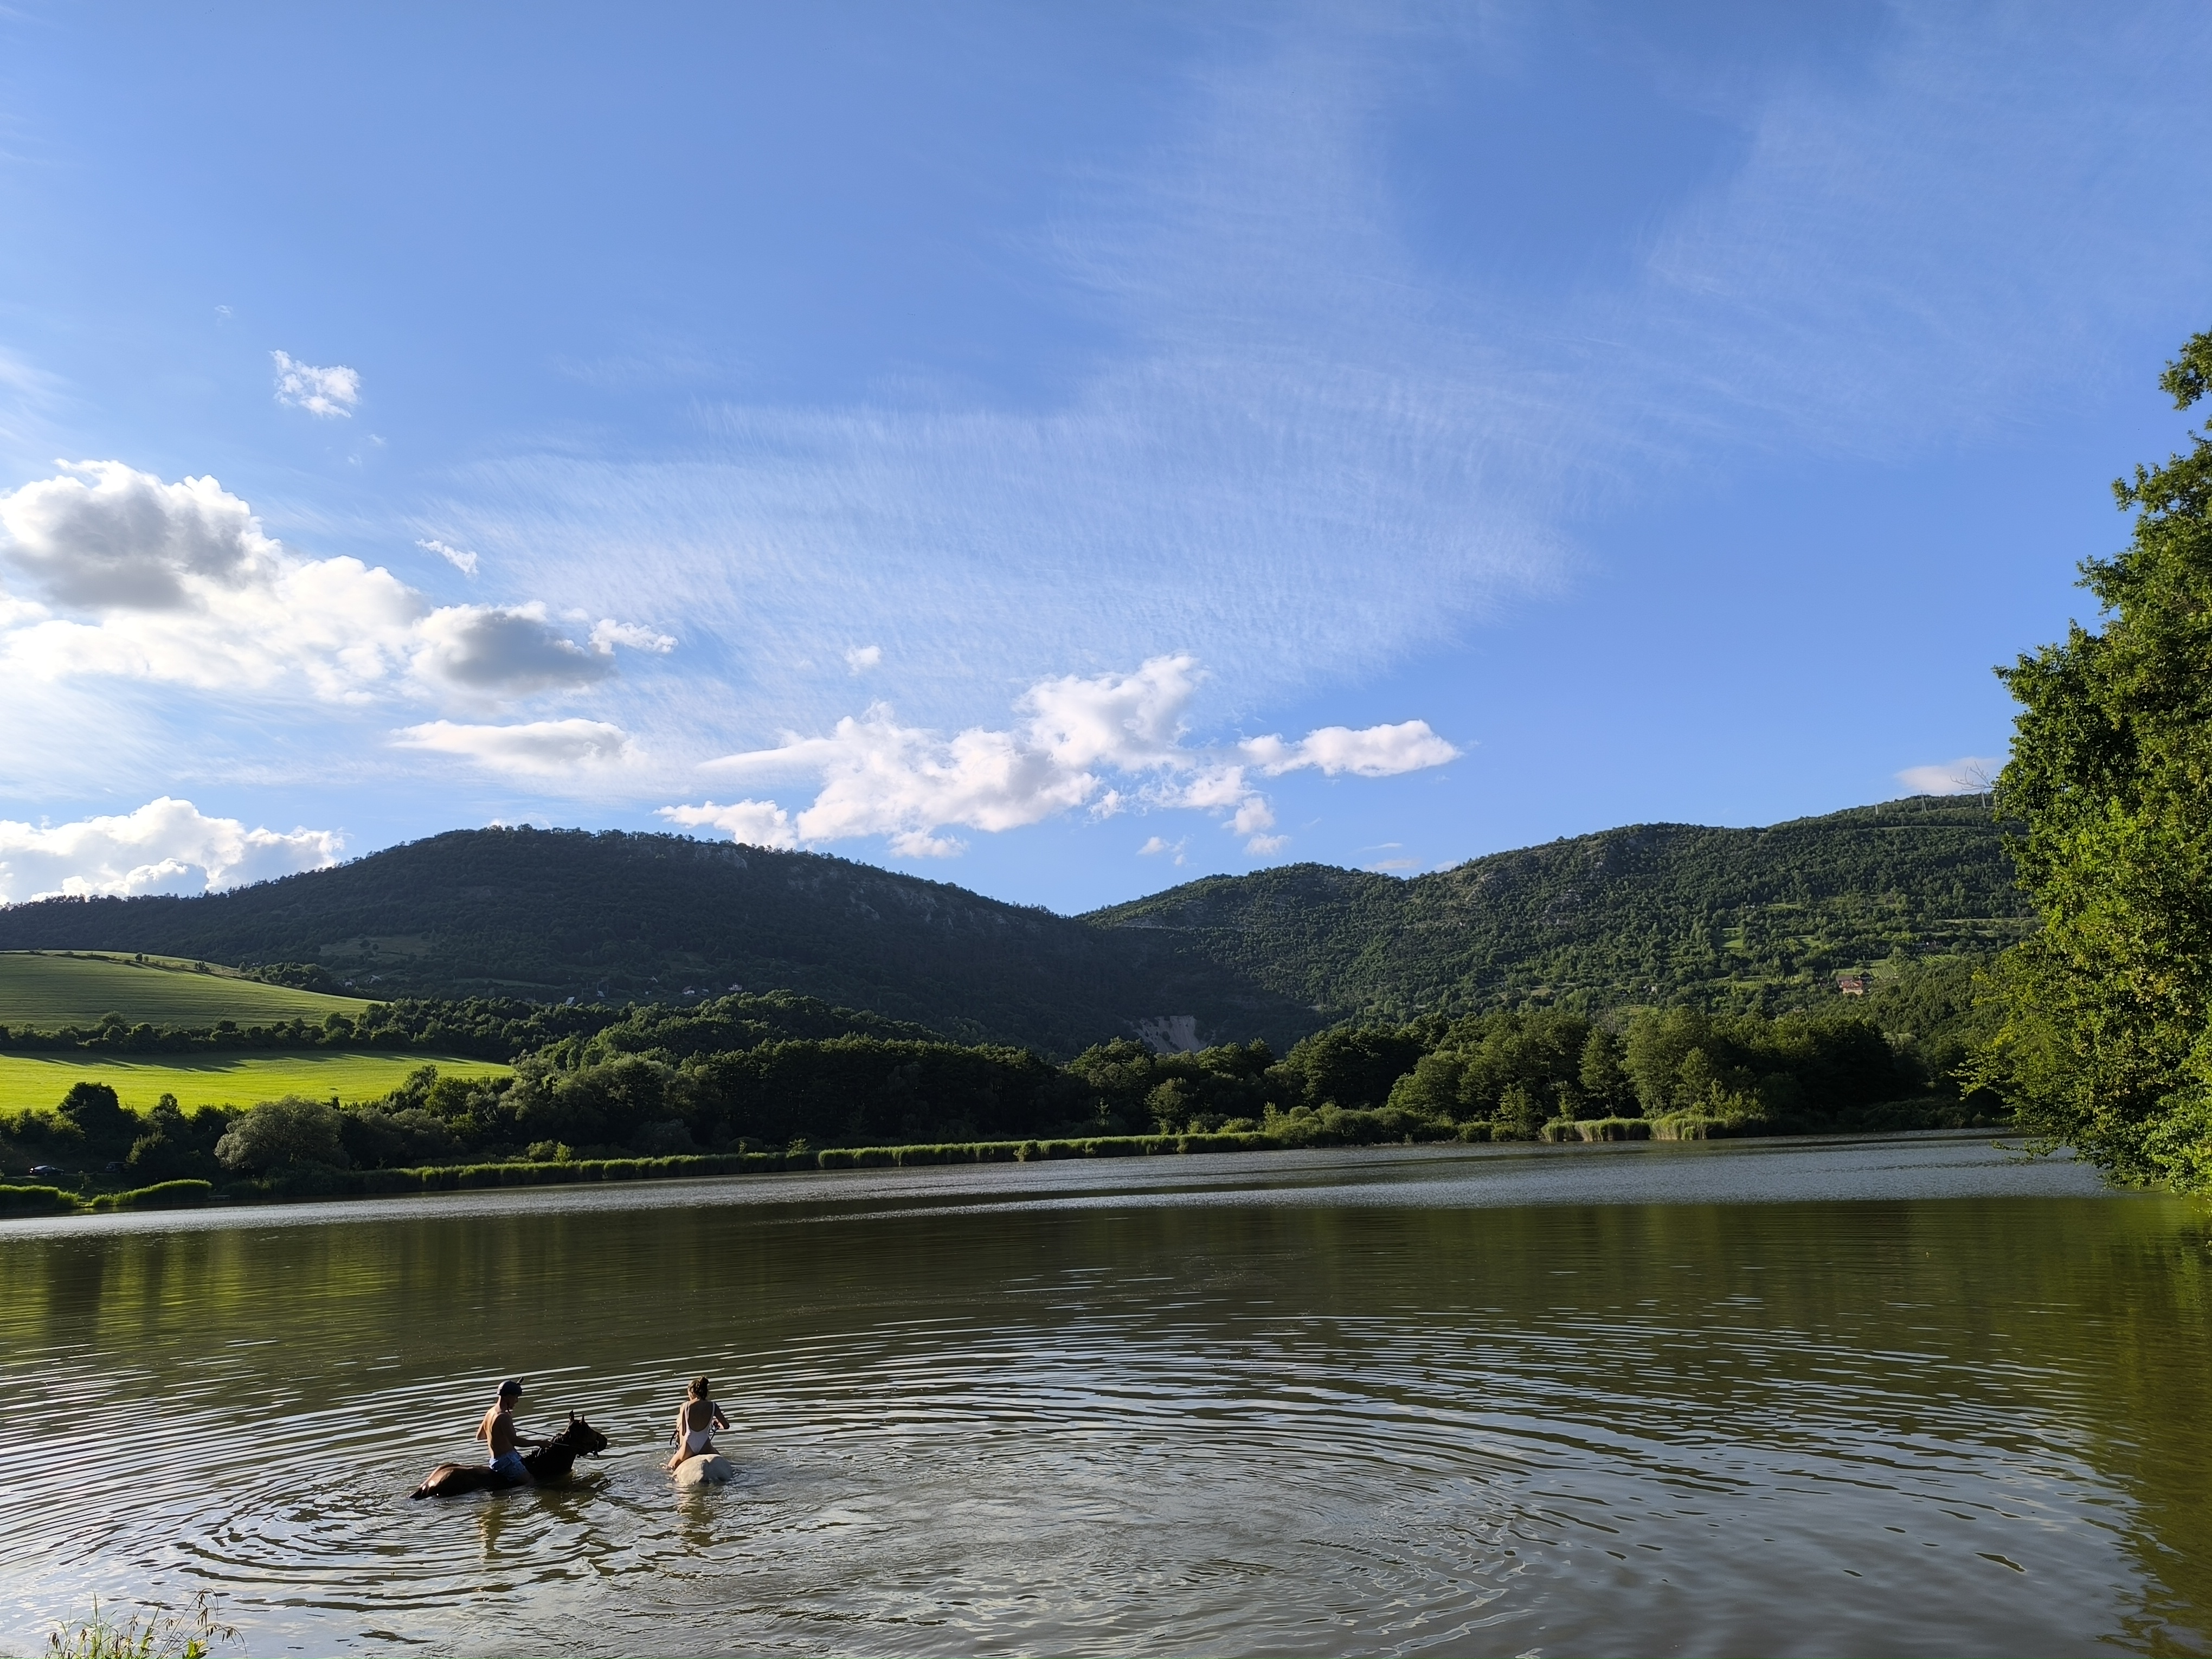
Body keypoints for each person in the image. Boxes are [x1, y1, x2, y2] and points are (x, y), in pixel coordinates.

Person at [475, 1379, 545, 1482]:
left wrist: (499, 1430)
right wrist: (539, 1443)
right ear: (508, 1397)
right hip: (507, 1461)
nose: (517, 1401)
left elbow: (480, 1436)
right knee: (531, 1482)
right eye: (516, 1397)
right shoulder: (504, 1417)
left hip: (496, 1460)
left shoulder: (490, 1413)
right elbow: (515, 1441)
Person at [665, 1375, 730, 1470]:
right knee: (725, 1465)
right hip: (705, 1446)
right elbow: (726, 1426)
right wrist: (718, 1424)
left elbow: (683, 1433)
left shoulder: (685, 1406)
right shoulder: (713, 1406)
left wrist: (680, 1448)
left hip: (688, 1446)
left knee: (668, 1467)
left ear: (692, 1393)